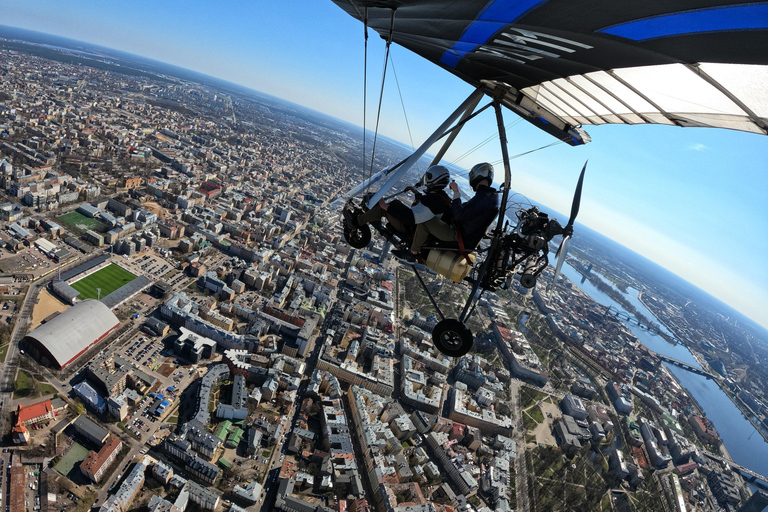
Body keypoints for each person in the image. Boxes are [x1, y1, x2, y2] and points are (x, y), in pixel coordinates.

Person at [392, 162, 499, 262]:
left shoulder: (483, 198)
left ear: (476, 176)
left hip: (458, 236)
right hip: (465, 236)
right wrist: (418, 195)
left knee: (426, 221)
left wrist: (456, 192)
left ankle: (412, 254)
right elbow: (466, 212)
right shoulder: (489, 197)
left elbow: (459, 215)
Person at [349, 165, 453, 239]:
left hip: (410, 229)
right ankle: (372, 216)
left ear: (435, 180)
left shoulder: (434, 201)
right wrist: (416, 193)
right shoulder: (441, 197)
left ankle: (356, 221)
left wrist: (385, 207)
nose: (427, 179)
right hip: (416, 227)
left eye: (429, 177)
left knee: (384, 208)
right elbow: (425, 209)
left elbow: (410, 218)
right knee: (396, 203)